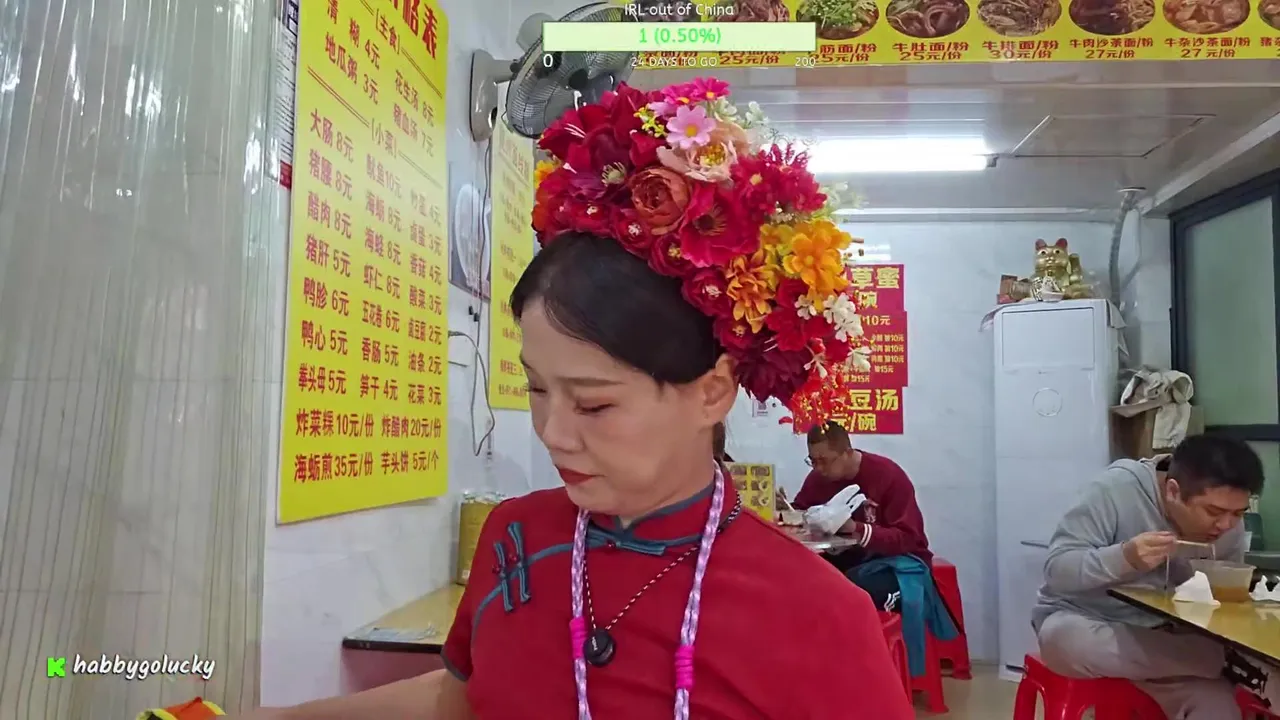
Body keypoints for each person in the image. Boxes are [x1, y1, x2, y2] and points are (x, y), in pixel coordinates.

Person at [228, 80, 913, 719]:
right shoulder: (516, 537)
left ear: (711, 392)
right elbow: (464, 696)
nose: (552, 432)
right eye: (535, 387)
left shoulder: (819, 611)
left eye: (592, 405)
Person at [1033, 434, 1276, 719]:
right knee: (1066, 641)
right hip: (1091, 621)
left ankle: (1216, 661)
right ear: (1173, 491)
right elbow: (1057, 570)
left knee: (1218, 707)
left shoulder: (1229, 528)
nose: (1226, 525)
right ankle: (1221, 662)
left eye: (1238, 513)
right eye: (1214, 511)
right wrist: (1125, 557)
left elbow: (1218, 607)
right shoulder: (1117, 489)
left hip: (1167, 640)